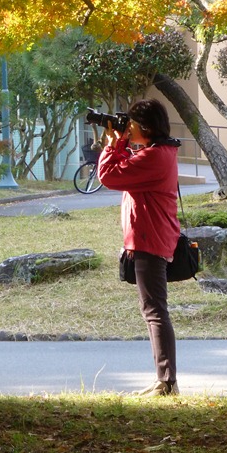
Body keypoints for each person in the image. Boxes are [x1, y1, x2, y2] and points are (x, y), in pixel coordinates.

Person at [97, 98, 181, 396]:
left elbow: (108, 176)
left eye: (131, 124)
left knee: (155, 311)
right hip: (151, 237)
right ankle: (165, 379)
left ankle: (167, 381)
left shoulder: (154, 157)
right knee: (154, 310)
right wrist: (120, 142)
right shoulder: (158, 152)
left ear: (145, 127)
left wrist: (112, 144)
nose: (127, 130)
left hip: (150, 240)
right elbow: (122, 170)